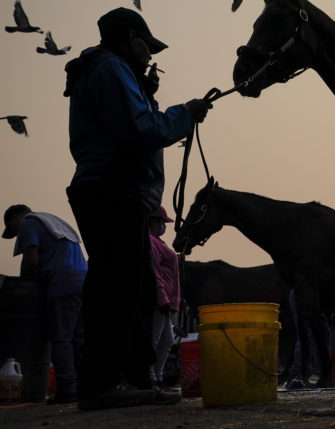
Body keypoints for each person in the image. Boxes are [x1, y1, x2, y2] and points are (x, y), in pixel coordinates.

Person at [62, 7, 212, 411]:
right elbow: (140, 128)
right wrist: (185, 113)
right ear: (131, 37)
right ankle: (101, 384)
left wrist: (149, 96)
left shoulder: (108, 70)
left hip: (115, 192)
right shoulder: (110, 69)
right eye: (147, 45)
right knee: (117, 288)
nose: (150, 55)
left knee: (136, 287)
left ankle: (130, 379)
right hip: (112, 191)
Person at [2, 204, 86, 404]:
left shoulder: (29, 223)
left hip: (62, 284)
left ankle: (66, 388)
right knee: (79, 339)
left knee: (61, 337)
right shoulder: (55, 223)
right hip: (84, 282)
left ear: (15, 219)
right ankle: (85, 386)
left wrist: (25, 290)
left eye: (13, 232)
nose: (17, 235)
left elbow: (30, 261)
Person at [146, 206, 180, 391]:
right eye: (160, 221)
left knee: (166, 341)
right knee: (155, 339)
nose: (162, 225)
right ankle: (151, 378)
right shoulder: (151, 243)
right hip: (161, 299)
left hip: (166, 298)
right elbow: (156, 273)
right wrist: (163, 298)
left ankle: (158, 377)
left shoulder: (158, 243)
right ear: (152, 221)